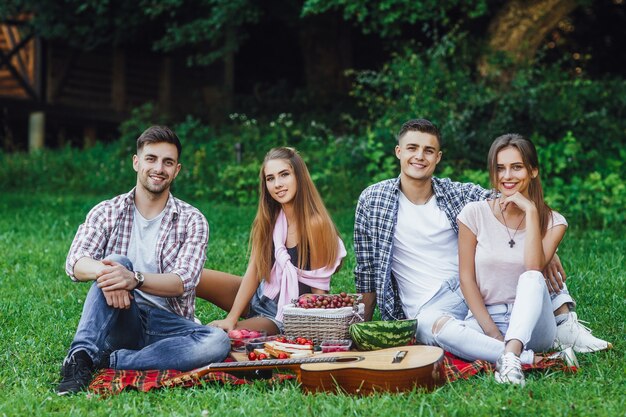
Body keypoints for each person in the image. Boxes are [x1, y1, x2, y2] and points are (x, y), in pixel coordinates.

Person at [353, 119, 611, 356]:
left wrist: (547, 244)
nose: (419, 156)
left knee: (523, 252)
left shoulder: (455, 194)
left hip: (474, 287)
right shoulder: (374, 200)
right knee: (429, 327)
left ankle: (564, 322)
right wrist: (360, 330)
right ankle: (519, 357)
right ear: (399, 152)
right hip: (430, 304)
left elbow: (508, 194)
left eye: (428, 150)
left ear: (438, 157)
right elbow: (366, 270)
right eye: (412, 148)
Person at [56, 126, 230, 395]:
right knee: (116, 261)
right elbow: (75, 262)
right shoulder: (107, 211)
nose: (159, 168)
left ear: (177, 170)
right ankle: (79, 359)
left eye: (167, 162)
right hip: (121, 318)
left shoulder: (192, 220)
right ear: (136, 162)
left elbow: (183, 282)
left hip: (167, 324)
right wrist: (113, 274)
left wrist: (134, 280)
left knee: (217, 342)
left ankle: (111, 361)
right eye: (151, 159)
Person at [434, 134, 574, 385]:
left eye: (516, 167)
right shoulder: (474, 213)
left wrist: (531, 211)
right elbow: (466, 279)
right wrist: (494, 334)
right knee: (439, 329)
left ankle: (512, 352)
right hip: (487, 318)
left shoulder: (554, 222)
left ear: (533, 171)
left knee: (531, 277)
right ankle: (522, 357)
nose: (507, 176)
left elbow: (534, 268)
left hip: (535, 325)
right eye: (500, 168)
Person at [196, 147, 346, 334]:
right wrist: (231, 318)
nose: (277, 184)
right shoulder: (272, 217)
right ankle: (166, 321)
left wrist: (314, 333)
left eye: (284, 175)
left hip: (283, 315)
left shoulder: (315, 224)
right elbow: (255, 268)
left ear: (299, 176)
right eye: (270, 178)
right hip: (261, 295)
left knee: (218, 336)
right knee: (191, 278)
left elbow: (319, 291)